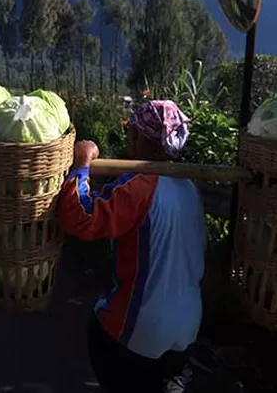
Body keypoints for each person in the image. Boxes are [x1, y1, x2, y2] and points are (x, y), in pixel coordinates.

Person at [56, 100, 207, 393]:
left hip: (142, 327)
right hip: (188, 325)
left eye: (131, 132)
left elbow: (79, 217)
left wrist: (82, 165)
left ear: (138, 137)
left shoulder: (139, 186)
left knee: (98, 330)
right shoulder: (190, 188)